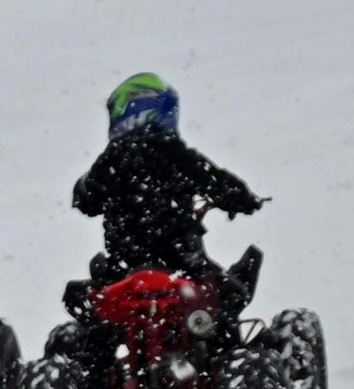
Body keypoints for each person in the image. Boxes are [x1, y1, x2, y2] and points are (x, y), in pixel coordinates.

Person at [70, 73, 263, 319]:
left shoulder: (111, 159)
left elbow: (85, 200)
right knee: (228, 301)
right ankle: (230, 351)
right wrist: (245, 199)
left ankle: (91, 354)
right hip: (182, 263)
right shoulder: (175, 152)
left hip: (123, 268)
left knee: (93, 333)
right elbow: (217, 182)